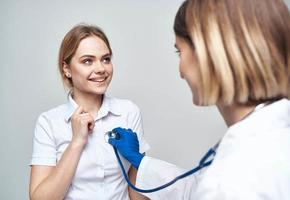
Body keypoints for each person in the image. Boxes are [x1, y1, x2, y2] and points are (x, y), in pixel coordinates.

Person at [109, 0, 290, 199]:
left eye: (180, 51)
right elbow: (196, 188)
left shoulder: (232, 179)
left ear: (210, 53)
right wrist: (141, 163)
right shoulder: (269, 140)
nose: (181, 71)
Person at [29, 24, 150, 200]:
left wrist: (138, 161)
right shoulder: (49, 122)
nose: (101, 68)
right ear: (67, 69)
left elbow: (137, 197)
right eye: (88, 61)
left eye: (106, 59)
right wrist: (77, 142)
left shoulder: (128, 112)